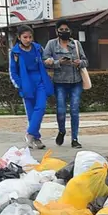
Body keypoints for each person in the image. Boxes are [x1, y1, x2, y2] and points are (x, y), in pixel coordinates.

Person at [43, 19, 88, 149]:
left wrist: (79, 62)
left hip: (76, 82)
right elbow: (44, 61)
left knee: (74, 110)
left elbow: (85, 61)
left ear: (70, 31)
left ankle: (75, 139)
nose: (64, 32)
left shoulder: (76, 44)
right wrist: (58, 62)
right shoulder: (51, 44)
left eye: (66, 29)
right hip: (60, 82)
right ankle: (62, 131)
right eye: (61, 30)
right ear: (57, 31)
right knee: (61, 110)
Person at [8, 25, 52, 149]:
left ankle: (30, 133)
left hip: (40, 81)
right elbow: (13, 71)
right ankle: (36, 138)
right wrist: (20, 85)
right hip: (26, 83)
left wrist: (48, 61)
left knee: (41, 107)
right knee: (31, 112)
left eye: (30, 37)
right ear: (19, 37)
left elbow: (45, 61)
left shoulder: (38, 48)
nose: (28, 40)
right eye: (25, 37)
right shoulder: (15, 52)